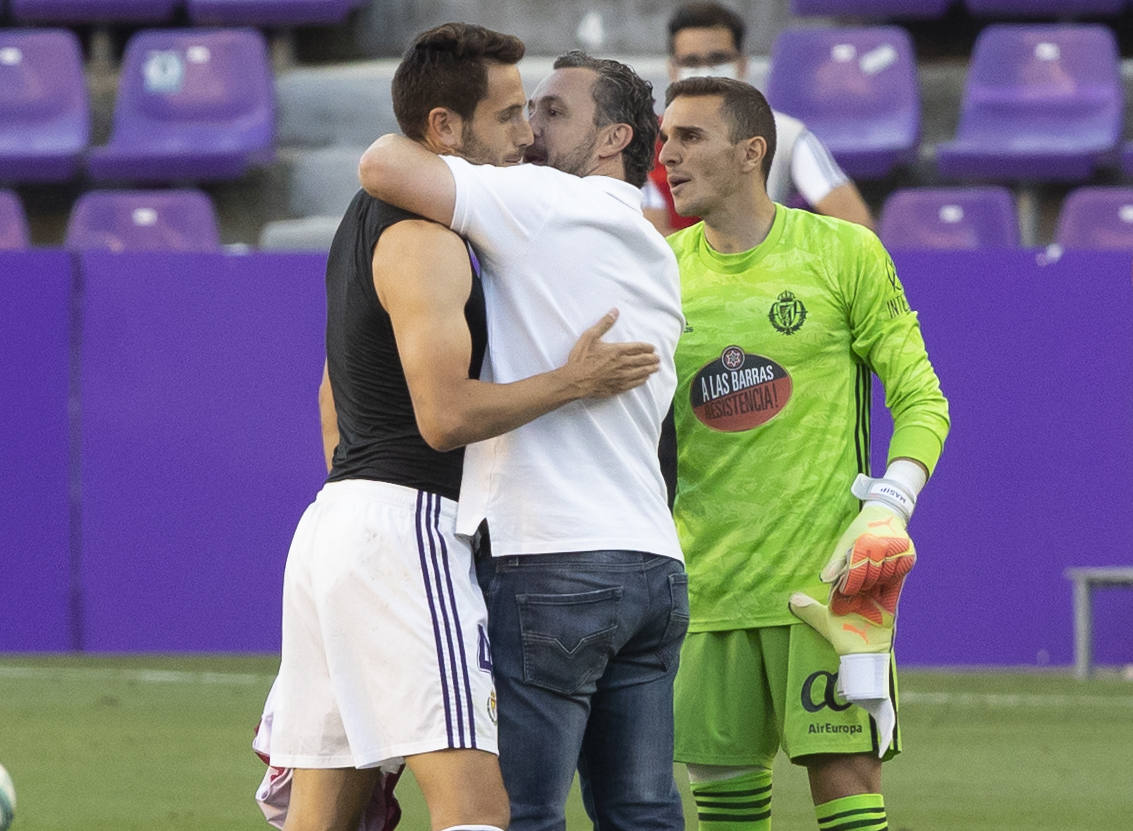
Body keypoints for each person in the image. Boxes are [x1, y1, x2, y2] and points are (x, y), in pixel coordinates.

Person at [263, 24, 665, 831]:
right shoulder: (427, 238)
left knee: (325, 812)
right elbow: (444, 419)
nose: (526, 136)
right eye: (511, 113)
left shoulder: (366, 223)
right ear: (445, 131)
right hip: (408, 525)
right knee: (482, 809)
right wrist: (571, 380)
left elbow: (329, 397)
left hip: (337, 524)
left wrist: (359, 505)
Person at [358, 51, 688, 831]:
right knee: (641, 812)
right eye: (524, 111)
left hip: (551, 560)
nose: (528, 128)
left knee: (521, 813)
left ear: (611, 138)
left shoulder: (540, 201)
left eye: (550, 112)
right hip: (651, 564)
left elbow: (380, 163)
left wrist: (454, 127)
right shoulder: (654, 247)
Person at [657, 76, 949, 831]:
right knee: (723, 811)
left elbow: (920, 397)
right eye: (663, 139)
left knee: (847, 796)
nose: (666, 155)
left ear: (752, 151)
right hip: (703, 593)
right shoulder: (656, 269)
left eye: (689, 137)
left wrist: (890, 505)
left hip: (827, 591)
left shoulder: (842, 251)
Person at [642, 0, 875, 235]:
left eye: (718, 59)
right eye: (691, 62)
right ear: (672, 69)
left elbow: (857, 226)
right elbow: (648, 242)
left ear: (742, 64)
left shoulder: (785, 133)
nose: (705, 71)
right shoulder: (642, 143)